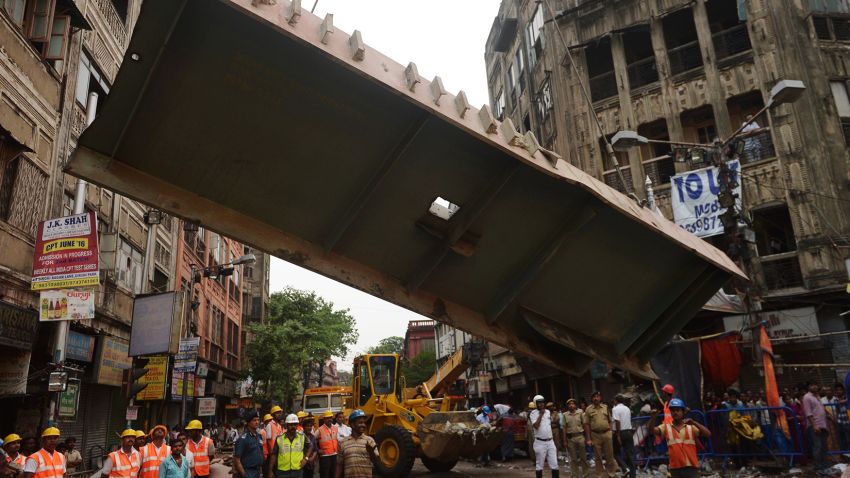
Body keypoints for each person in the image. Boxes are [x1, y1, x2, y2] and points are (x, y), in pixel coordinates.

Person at [648, 398, 711, 478]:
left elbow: (708, 434)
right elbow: (651, 431)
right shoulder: (666, 427)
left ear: (683, 412)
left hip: (691, 467)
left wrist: (695, 423)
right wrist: (653, 418)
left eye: (678, 410)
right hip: (675, 468)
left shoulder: (690, 427)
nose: (675, 412)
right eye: (673, 410)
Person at [336, 410, 378, 478]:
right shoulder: (343, 443)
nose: (363, 425)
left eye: (364, 423)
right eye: (360, 422)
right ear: (352, 424)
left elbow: (377, 463)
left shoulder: (370, 441)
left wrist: (371, 453)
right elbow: (339, 465)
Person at [584, 391, 615, 478]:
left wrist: (610, 432)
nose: (596, 398)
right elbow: (586, 424)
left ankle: (611, 474)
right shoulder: (588, 409)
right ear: (591, 399)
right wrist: (588, 439)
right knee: (598, 457)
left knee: (610, 455)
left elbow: (610, 421)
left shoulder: (605, 407)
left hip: (606, 434)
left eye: (597, 396)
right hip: (595, 435)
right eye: (594, 397)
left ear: (600, 398)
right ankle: (599, 475)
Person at [803, 381, 829, 475]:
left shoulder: (817, 396)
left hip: (823, 425)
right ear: (808, 387)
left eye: (815, 384)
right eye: (812, 385)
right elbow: (808, 413)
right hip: (815, 426)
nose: (814, 386)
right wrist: (814, 426)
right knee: (817, 447)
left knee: (823, 446)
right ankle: (818, 467)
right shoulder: (807, 397)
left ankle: (824, 465)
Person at [530, 395, 558, 478]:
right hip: (540, 442)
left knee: (555, 464)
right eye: (539, 403)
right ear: (535, 404)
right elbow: (536, 426)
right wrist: (541, 415)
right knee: (539, 465)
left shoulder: (548, 412)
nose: (541, 404)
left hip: (550, 442)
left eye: (542, 402)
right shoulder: (533, 413)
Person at [561, 399, 589, 478]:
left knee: (583, 458)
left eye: (573, 404)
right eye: (569, 404)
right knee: (573, 459)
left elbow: (584, 425)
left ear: (575, 405)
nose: (571, 405)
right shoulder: (565, 415)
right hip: (571, 438)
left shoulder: (580, 412)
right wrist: (564, 441)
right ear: (567, 406)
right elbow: (564, 428)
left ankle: (586, 475)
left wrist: (587, 438)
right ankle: (575, 475)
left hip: (580, 437)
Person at [234, 412, 264, 478]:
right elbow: (237, 460)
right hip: (248, 471)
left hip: (257, 471)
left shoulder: (259, 436)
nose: (257, 422)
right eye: (254, 420)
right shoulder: (243, 439)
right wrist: (244, 475)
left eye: (258, 420)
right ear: (248, 422)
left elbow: (260, 454)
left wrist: (261, 473)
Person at [612, 395, 635, 478]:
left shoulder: (615, 409)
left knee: (615, 452)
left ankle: (625, 468)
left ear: (616, 401)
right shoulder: (627, 408)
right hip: (628, 432)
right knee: (630, 454)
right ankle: (633, 475)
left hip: (620, 432)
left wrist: (618, 434)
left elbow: (617, 421)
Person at [314, 411, 338, 478]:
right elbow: (312, 441)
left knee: (333, 474)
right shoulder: (320, 429)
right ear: (324, 419)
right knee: (325, 475)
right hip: (325, 457)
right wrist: (318, 450)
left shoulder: (335, 428)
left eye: (330, 417)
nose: (329, 419)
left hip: (334, 455)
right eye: (327, 418)